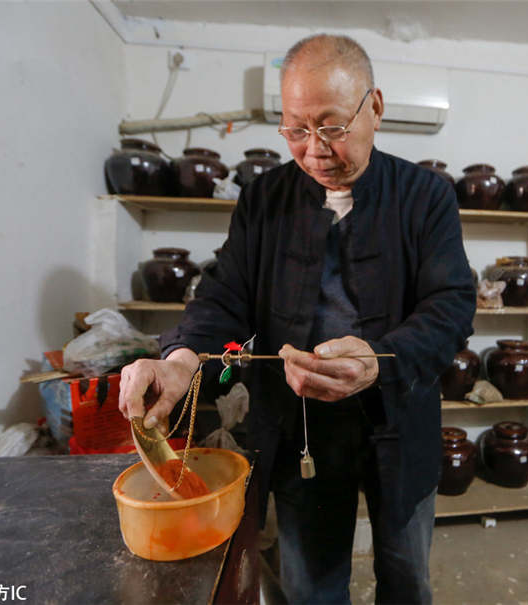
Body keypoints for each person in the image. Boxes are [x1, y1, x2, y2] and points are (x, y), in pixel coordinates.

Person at [119, 33, 475, 604]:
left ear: (375, 109)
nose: (314, 150)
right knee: (311, 584)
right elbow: (225, 296)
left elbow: (452, 303)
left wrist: (380, 358)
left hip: (398, 417)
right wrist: (182, 359)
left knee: (406, 577)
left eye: (332, 127)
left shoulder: (425, 196)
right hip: (299, 426)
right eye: (295, 129)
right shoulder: (265, 198)